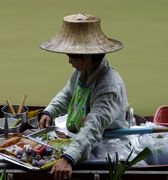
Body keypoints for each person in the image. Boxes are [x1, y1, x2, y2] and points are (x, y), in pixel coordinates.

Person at [38, 13, 129, 180]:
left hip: (107, 143)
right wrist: (49, 111)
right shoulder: (81, 71)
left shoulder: (109, 86)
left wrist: (69, 158)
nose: (69, 61)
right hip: (83, 135)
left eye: (71, 56)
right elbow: (67, 93)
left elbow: (94, 126)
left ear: (87, 56)